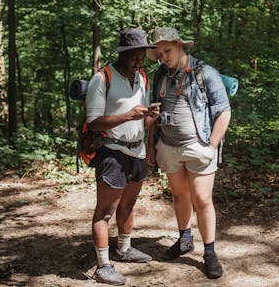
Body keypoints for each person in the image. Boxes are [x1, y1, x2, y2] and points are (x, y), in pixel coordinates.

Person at [146, 27, 231, 279]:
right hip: (168, 146)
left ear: (180, 44)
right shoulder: (161, 74)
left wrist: (211, 145)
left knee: (202, 200)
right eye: (159, 53)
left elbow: (224, 111)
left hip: (199, 145)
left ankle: (209, 252)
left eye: (167, 51)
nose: (163, 57)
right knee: (179, 195)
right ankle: (185, 240)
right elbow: (155, 112)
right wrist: (152, 144)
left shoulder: (205, 73)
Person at [85, 28, 160, 285]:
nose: (138, 58)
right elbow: (94, 123)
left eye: (142, 53)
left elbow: (144, 121)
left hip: (137, 150)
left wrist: (151, 116)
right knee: (104, 211)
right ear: (122, 52)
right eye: (133, 53)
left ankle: (125, 248)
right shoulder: (102, 77)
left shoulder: (143, 77)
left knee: (128, 205)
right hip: (111, 151)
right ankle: (103, 265)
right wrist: (129, 115)